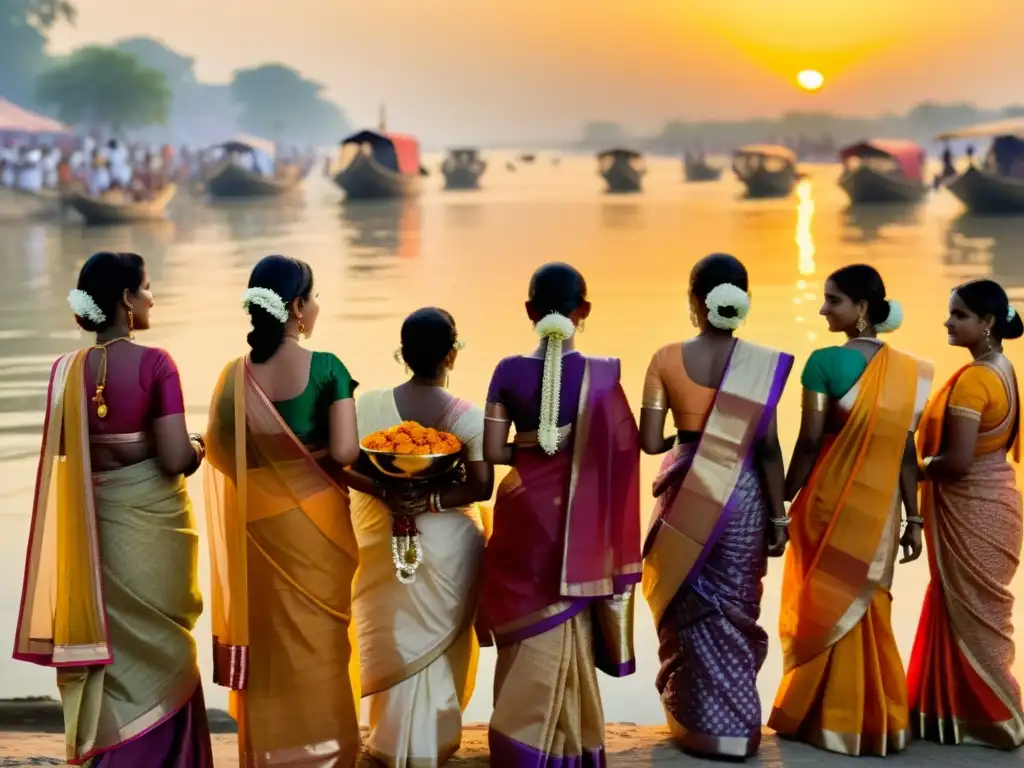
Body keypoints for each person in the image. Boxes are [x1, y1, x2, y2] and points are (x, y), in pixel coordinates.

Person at [13, 251, 212, 765]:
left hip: (93, 530)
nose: (152, 297)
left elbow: (68, 460)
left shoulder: (64, 372)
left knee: (113, 651)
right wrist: (199, 448)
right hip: (150, 528)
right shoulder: (156, 363)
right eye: (147, 287)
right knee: (169, 643)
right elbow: (172, 458)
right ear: (126, 299)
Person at [203, 255, 363, 766]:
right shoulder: (328, 368)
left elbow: (221, 454)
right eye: (313, 298)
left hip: (259, 530)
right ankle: (330, 752)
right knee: (320, 643)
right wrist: (304, 459)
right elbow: (344, 453)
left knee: (270, 649)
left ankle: (269, 753)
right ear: (296, 307)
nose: (316, 308)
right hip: (317, 525)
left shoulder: (233, 376)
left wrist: (274, 463)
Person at [768, 264, 934, 756]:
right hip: (880, 509)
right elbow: (908, 453)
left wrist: (782, 497)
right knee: (867, 605)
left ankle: (818, 713)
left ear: (862, 309)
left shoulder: (823, 363)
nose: (823, 309)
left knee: (825, 602)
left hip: (827, 500)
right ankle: (877, 716)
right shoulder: (914, 373)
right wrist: (915, 518)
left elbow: (811, 441)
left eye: (833, 300)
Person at [480, 262, 642, 766]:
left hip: (521, 510)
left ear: (529, 311)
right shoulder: (605, 373)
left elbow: (492, 449)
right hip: (579, 521)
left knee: (526, 624)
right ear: (584, 311)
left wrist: (533, 450)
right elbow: (623, 453)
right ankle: (570, 743)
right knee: (568, 624)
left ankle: (517, 739)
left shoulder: (507, 371)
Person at [640, 254, 794, 760]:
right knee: (733, 606)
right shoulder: (760, 363)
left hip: (685, 490)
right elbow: (769, 448)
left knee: (687, 603)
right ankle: (738, 726)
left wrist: (687, 441)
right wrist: (778, 518)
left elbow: (649, 441)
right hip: (746, 495)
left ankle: (696, 722)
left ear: (693, 301)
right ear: (744, 300)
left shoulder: (665, 358)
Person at [346, 308, 492, 767]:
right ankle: (430, 742)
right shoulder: (468, 415)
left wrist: (389, 492)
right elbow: (482, 486)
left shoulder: (367, 405)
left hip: (378, 533)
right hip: (449, 542)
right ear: (451, 354)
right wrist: (430, 502)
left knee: (392, 633)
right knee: (435, 643)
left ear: (402, 354)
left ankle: (389, 740)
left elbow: (346, 466)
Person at [909, 279, 1024, 749]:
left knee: (974, 615)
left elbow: (955, 462)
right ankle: (954, 716)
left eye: (959, 315)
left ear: (988, 322)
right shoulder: (1003, 368)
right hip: (998, 497)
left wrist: (911, 467)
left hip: (972, 506)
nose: (948, 322)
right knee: (977, 614)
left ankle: (999, 718)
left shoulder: (977, 378)